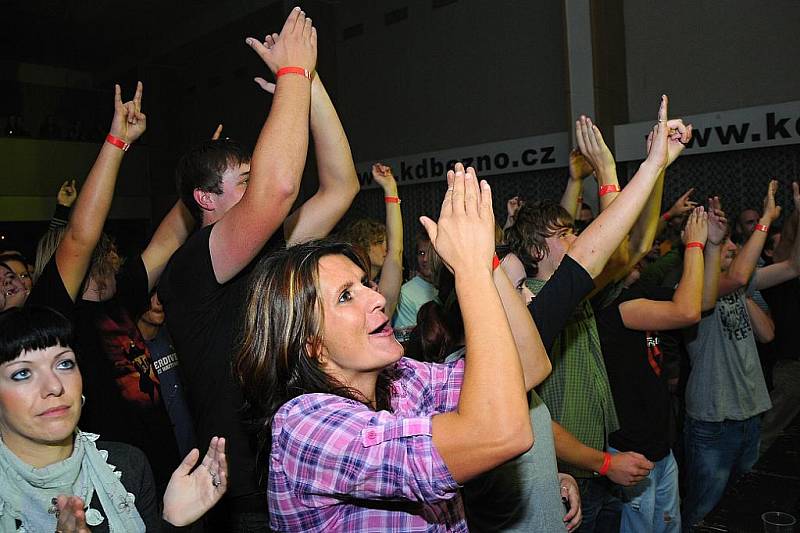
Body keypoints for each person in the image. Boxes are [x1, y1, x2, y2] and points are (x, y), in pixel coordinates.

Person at [235, 164, 546, 531]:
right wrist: (471, 273)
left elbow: (529, 366)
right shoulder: (304, 426)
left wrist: (485, 261)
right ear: (312, 346)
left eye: (366, 283)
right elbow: (500, 433)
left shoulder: (402, 379)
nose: (377, 297)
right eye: (347, 296)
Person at [158, 9, 358, 529]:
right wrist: (292, 74)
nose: (258, 186)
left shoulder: (267, 249)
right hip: (242, 495)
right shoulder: (192, 267)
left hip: (300, 472)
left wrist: (310, 84)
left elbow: (341, 186)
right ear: (206, 198)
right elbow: (279, 190)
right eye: (243, 181)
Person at [508, 96, 692, 532]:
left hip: (594, 471)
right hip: (572, 476)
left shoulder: (578, 299)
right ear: (537, 252)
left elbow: (639, 243)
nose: (584, 239)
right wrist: (617, 172)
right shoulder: (535, 307)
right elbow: (534, 422)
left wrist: (658, 167)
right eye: (569, 234)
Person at [0, 305, 227, 532]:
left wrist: (172, 522)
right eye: (22, 373)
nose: (55, 386)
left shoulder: (126, 466)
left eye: (64, 364)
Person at [595, 205, 725, 532]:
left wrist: (711, 245)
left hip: (659, 445)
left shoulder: (641, 293)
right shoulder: (614, 308)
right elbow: (687, 313)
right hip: (631, 449)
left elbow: (702, 300)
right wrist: (693, 245)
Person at [682, 180, 800, 529]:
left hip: (749, 414)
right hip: (713, 423)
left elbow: (794, 266)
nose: (732, 245)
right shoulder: (689, 290)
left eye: (732, 240)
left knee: (743, 506)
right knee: (705, 511)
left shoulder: (742, 285)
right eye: (724, 240)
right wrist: (765, 218)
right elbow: (733, 277)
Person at [339, 163, 404, 316]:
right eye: (379, 242)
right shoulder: (343, 286)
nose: (386, 248)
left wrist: (391, 189)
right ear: (362, 245)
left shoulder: (379, 302)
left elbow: (396, 250)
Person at [392, 231, 438, 331]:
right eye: (421, 253)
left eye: (431, 253)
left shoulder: (449, 287)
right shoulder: (406, 294)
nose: (425, 259)